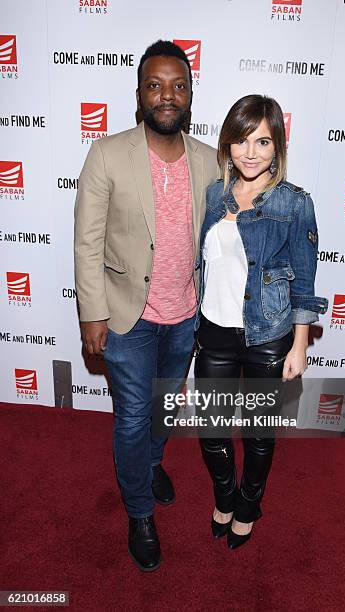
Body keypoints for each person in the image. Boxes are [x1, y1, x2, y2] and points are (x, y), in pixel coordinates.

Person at [74, 40, 218, 572]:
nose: (167, 95)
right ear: (139, 94)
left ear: (189, 95)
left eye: (178, 86)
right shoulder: (108, 153)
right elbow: (86, 240)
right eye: (156, 85)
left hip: (186, 315)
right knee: (134, 416)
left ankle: (153, 465)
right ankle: (139, 512)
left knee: (163, 410)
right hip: (126, 317)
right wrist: (92, 313)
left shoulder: (208, 160)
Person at [194, 94, 328, 549]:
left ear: (278, 148)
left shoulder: (295, 204)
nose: (250, 152)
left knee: (257, 436)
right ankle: (225, 496)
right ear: (228, 144)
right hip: (213, 331)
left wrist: (299, 345)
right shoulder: (214, 195)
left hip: (268, 335)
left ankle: (249, 505)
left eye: (263, 142)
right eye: (241, 140)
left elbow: (305, 281)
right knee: (212, 434)